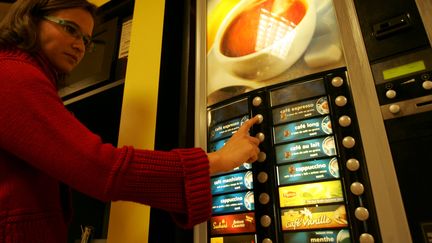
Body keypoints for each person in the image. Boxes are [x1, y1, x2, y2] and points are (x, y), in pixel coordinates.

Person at [0, 0, 261, 242]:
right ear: (30, 19)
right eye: (70, 29)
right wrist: (218, 160)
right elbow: (101, 169)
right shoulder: (14, 75)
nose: (79, 46)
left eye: (86, 39)